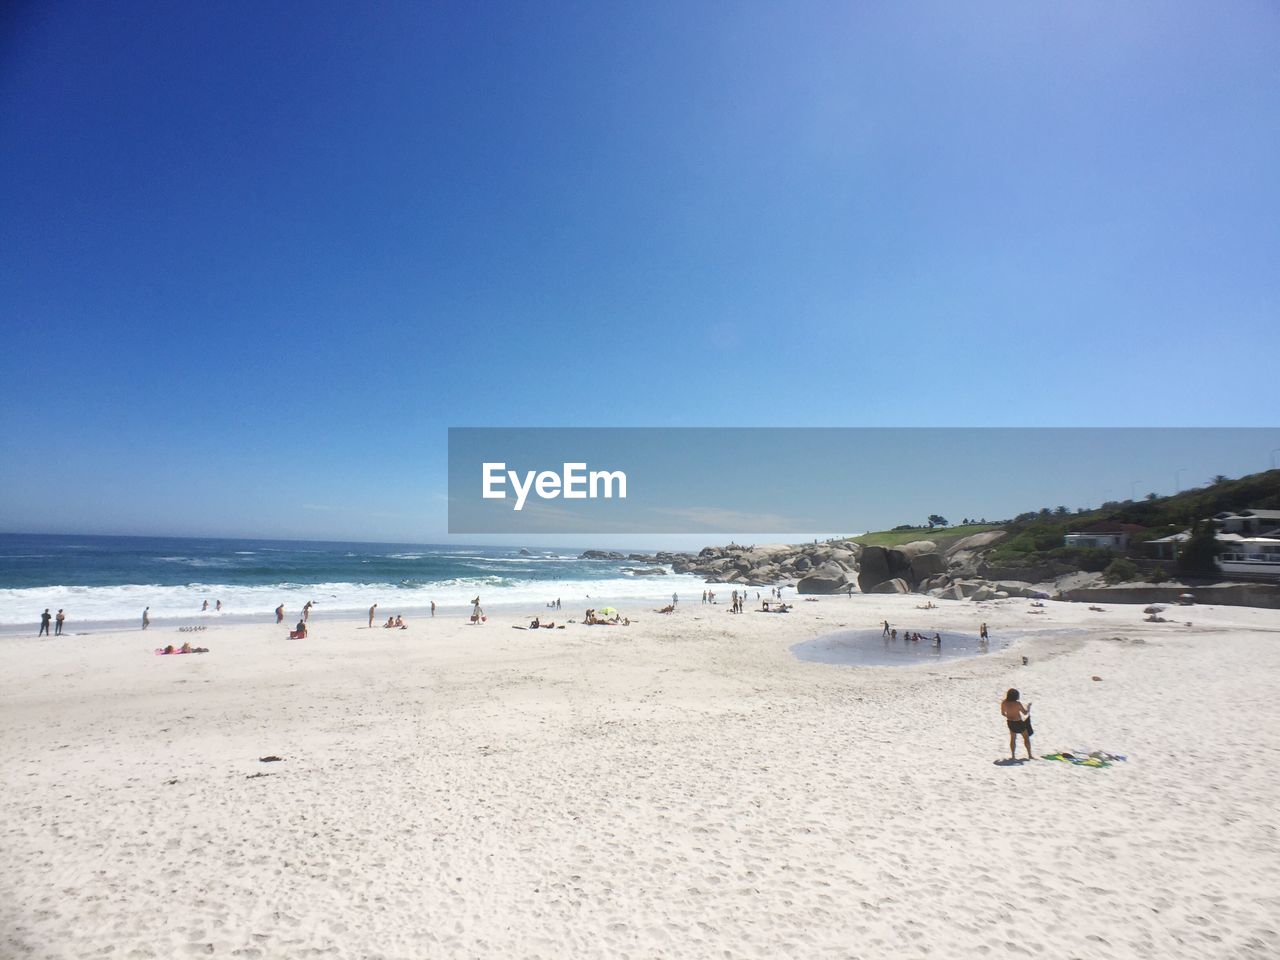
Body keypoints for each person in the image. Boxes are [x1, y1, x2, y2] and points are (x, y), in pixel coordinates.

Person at [1001, 688, 1034, 761]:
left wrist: (1009, 716)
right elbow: (1025, 713)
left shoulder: (1004, 703)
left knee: (1013, 739)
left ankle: (1013, 756)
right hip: (1018, 722)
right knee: (1026, 738)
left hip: (1010, 722)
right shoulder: (1017, 703)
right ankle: (1030, 755)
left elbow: (1003, 713)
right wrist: (1028, 707)